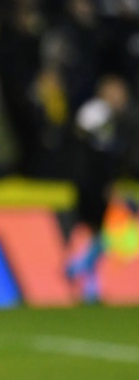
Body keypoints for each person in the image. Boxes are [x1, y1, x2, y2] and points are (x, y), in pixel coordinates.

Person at [66, 74, 132, 302]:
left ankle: (88, 279)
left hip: (96, 179)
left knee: (99, 231)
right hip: (90, 180)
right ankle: (79, 266)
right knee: (99, 230)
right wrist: (103, 183)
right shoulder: (95, 111)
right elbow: (87, 148)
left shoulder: (114, 117)